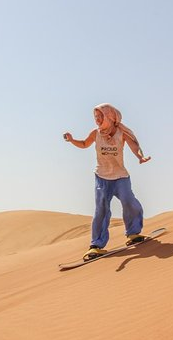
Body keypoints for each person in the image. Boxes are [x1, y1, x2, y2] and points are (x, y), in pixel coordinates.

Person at [63, 103, 151, 261]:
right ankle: (96, 245)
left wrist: (140, 157)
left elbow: (133, 146)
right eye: (95, 117)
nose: (97, 120)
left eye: (100, 116)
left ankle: (133, 233)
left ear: (110, 117)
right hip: (102, 177)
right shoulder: (96, 133)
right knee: (101, 209)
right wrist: (72, 140)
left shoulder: (121, 133)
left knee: (128, 201)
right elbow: (84, 144)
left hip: (120, 177)